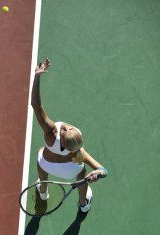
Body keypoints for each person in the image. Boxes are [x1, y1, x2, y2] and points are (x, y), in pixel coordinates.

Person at [31, 58, 108, 213]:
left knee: (41, 154)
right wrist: (98, 173)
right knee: (82, 171)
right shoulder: (79, 152)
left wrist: (37, 76)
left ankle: (43, 191)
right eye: (69, 129)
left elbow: (36, 105)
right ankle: (83, 204)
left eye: (66, 130)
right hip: (70, 173)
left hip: (46, 165)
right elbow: (105, 171)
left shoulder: (51, 132)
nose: (66, 127)